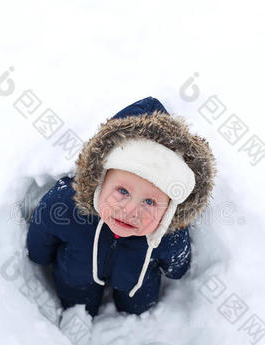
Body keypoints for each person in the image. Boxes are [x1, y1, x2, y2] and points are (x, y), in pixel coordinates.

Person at [26, 96, 217, 317]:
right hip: (76, 275)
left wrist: (177, 265)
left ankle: (135, 316)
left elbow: (177, 266)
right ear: (99, 179)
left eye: (149, 202)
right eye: (123, 191)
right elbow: (42, 229)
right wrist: (39, 255)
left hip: (136, 283)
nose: (130, 211)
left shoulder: (167, 232)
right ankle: (80, 312)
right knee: (77, 302)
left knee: (139, 308)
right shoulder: (66, 204)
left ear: (169, 211)